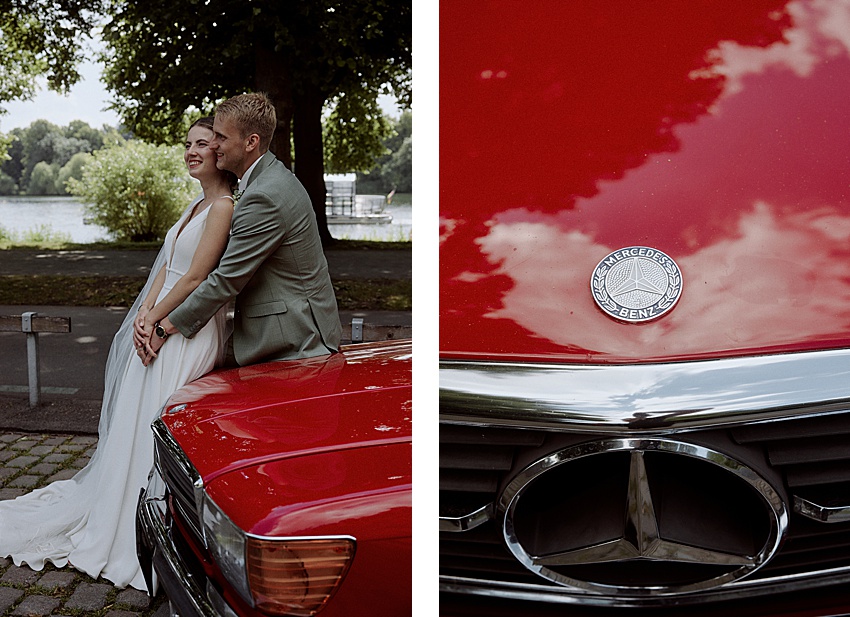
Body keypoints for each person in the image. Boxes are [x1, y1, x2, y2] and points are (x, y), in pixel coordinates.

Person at [0, 117, 237, 591]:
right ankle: (120, 505)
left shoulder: (224, 207)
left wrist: (159, 322)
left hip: (188, 327)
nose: (191, 151)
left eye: (202, 144)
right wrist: (144, 313)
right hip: (163, 318)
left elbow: (195, 280)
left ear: (222, 154)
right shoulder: (195, 205)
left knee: (159, 419)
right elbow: (168, 267)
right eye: (187, 143)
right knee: (134, 419)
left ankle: (152, 523)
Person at [140, 92, 342, 366]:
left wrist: (164, 326)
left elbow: (227, 279)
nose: (213, 145)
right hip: (298, 328)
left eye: (221, 137)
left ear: (251, 142)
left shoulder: (265, 195)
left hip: (296, 339)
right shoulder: (267, 178)